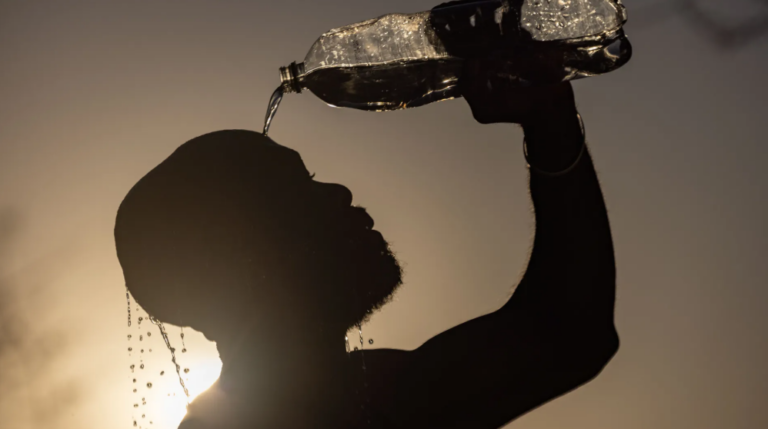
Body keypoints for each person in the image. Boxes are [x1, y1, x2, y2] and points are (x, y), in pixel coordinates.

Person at [114, 58, 618, 429]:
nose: (339, 191)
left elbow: (568, 334)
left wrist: (549, 118)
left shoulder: (365, 391)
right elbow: (566, 334)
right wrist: (549, 125)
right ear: (235, 261)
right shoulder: (359, 405)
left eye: (311, 176)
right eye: (291, 190)